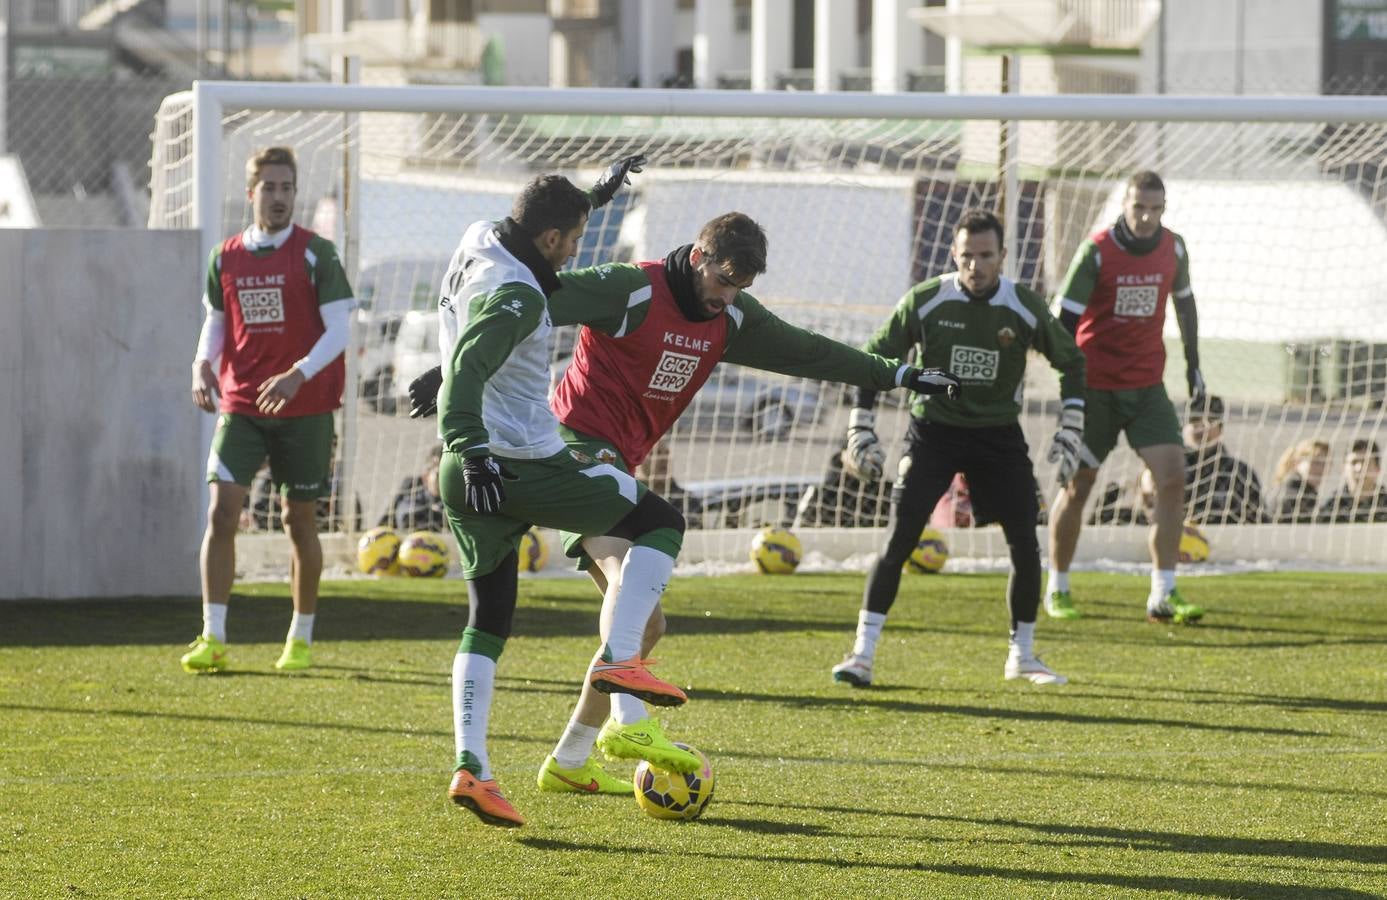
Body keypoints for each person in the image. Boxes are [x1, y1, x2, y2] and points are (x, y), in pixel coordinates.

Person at [412, 210, 961, 796]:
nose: (728, 297)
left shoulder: (732, 317)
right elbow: (537, 299)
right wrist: (451, 365)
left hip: (618, 461)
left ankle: (573, 757)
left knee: (650, 621)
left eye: (742, 288)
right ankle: (626, 721)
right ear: (699, 256)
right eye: (724, 280)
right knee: (632, 575)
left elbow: (811, 353)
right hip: (572, 448)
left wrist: (898, 373)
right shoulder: (632, 288)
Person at [431, 163, 699, 828]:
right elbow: (470, 363)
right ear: (550, 238)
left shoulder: (480, 236)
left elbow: (471, 337)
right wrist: (469, 439)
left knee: (486, 619)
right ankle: (622, 662)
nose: (577, 251)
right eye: (575, 237)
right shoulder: (519, 295)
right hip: (514, 461)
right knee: (659, 521)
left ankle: (473, 768)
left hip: (462, 474)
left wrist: (596, 199)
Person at [830, 208, 1086, 689]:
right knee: (899, 540)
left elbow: (1072, 362)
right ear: (954, 254)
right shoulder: (926, 301)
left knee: (1025, 545)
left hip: (999, 435)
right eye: (967, 256)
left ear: (1003, 257)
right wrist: (860, 428)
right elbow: (873, 360)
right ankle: (862, 654)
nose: (976, 266)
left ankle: (1024, 655)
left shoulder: (1025, 306)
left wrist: (1071, 424)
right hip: (934, 432)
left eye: (986, 256)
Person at [184, 146, 355, 674]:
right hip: (242, 403)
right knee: (221, 512)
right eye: (270, 188)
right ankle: (213, 636)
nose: (279, 198)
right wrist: (201, 362)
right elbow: (217, 318)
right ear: (251, 193)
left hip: (306, 409)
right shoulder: (225, 257)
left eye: (288, 188)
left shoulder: (316, 254)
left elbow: (342, 328)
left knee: (298, 521)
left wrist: (298, 373)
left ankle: (300, 637)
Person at [1044, 170, 1207, 625]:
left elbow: (1186, 304)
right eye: (1140, 207)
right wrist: (1070, 387)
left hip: (1147, 387)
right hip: (1097, 387)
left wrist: (1194, 365)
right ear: (1125, 204)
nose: (1147, 217)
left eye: (1156, 209)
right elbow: (1065, 322)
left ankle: (1163, 593)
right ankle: (1056, 587)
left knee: (1173, 477)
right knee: (1080, 487)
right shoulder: (1096, 251)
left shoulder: (1173, 246)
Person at [1183, 395, 1267, 524]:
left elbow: (1260, 522)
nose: (1200, 429)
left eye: (1209, 421)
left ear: (1221, 428)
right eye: (1194, 422)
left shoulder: (1240, 474)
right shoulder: (1168, 470)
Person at [378, 444, 448, 533]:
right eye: (438, 472)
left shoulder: (461, 497)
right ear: (425, 476)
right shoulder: (412, 487)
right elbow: (393, 518)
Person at [1317, 439, 1387, 523]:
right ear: (1343, 468)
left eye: (1366, 462)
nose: (1359, 468)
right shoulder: (1331, 509)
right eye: (1354, 462)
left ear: (1378, 469)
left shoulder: (1384, 505)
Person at [1270, 439, 1330, 524]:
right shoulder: (1295, 496)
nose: (1321, 469)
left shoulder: (1298, 490)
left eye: (1325, 463)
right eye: (1315, 462)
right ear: (1297, 462)